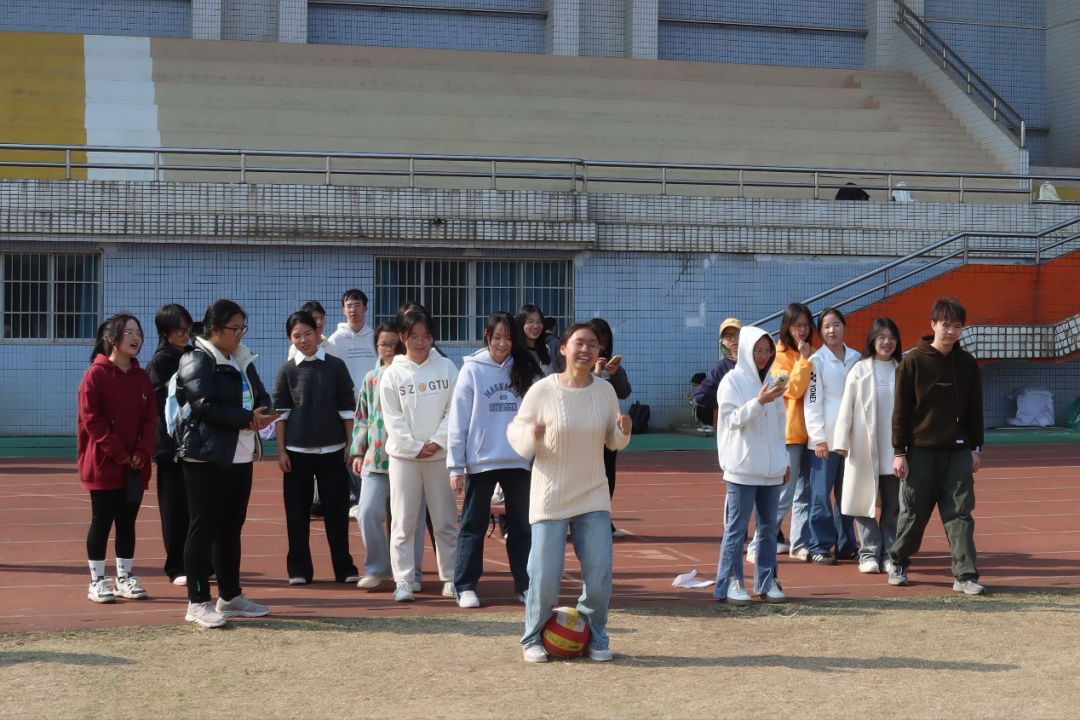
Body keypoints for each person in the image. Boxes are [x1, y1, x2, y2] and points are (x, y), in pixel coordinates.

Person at [508, 322, 632, 663]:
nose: (585, 350)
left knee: (599, 573)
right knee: (544, 575)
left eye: (593, 344)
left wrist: (623, 432)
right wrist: (531, 435)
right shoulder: (542, 390)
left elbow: (612, 441)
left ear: (599, 352)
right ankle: (532, 637)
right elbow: (517, 435)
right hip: (551, 494)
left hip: (593, 492)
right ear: (562, 349)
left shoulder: (605, 391)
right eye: (579, 343)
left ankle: (596, 635)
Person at [175, 300, 276, 628]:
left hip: (241, 454)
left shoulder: (240, 357)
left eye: (243, 327)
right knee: (202, 528)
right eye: (235, 328)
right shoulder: (197, 359)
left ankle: (230, 597)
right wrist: (247, 418)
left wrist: (262, 413)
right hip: (206, 456)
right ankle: (197, 601)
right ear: (214, 329)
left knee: (231, 528)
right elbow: (204, 404)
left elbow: (261, 395)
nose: (240, 333)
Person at [888, 297, 985, 594]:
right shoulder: (913, 361)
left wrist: (976, 448)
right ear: (933, 325)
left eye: (958, 326)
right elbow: (901, 410)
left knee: (961, 513)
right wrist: (900, 452)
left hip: (958, 451)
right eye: (946, 325)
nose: (951, 331)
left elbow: (975, 409)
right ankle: (898, 561)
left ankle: (965, 575)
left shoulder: (967, 364)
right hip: (920, 451)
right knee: (914, 513)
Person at [448, 312, 541, 608]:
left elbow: (538, 415)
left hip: (518, 460)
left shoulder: (527, 369)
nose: (502, 344)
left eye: (508, 338)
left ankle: (526, 585)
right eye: (497, 337)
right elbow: (459, 420)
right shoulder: (472, 370)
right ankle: (465, 586)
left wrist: (536, 454)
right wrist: (456, 465)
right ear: (487, 336)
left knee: (522, 526)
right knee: (473, 525)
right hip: (482, 461)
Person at [273, 311, 360, 585]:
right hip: (296, 454)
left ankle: (344, 568)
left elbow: (347, 408)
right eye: (296, 336)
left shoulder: (336, 367)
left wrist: (350, 444)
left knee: (337, 514)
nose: (303, 340)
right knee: (296, 514)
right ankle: (299, 570)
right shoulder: (287, 370)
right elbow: (281, 414)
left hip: (333, 451)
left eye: (308, 334)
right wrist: (282, 451)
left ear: (318, 333)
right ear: (290, 339)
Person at [379, 308, 460, 602]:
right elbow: (393, 419)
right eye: (414, 336)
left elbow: (455, 409)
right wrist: (414, 447)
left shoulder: (447, 368)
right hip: (404, 459)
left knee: (445, 521)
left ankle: (451, 578)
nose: (421, 342)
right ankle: (404, 580)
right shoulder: (392, 373)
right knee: (403, 522)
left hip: (439, 458)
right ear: (403, 338)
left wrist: (437, 442)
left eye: (426, 336)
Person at [77, 313, 157, 604]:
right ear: (112, 339)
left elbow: (151, 420)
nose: (136, 338)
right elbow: (92, 419)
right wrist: (121, 454)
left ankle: (125, 577)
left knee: (127, 522)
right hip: (104, 463)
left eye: (139, 333)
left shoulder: (142, 377)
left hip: (134, 466)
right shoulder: (95, 375)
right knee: (102, 521)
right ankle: (97, 581)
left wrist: (141, 452)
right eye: (129, 333)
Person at [712, 326, 790, 606]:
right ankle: (731, 582)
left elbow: (780, 425)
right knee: (737, 528)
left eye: (768, 351)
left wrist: (784, 460)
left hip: (771, 470)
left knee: (769, 528)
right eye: (758, 350)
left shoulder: (771, 380)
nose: (763, 356)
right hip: (742, 469)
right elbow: (730, 420)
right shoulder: (731, 381)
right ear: (746, 350)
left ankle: (768, 582)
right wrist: (759, 402)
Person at [350, 323, 428, 591]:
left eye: (395, 343)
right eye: (384, 344)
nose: (390, 348)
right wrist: (358, 450)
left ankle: (413, 575)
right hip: (376, 459)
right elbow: (362, 416)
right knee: (366, 512)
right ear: (377, 347)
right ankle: (378, 567)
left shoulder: (414, 376)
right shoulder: (371, 378)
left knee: (412, 520)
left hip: (410, 458)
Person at [833, 318, 904, 574]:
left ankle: (890, 552)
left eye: (892, 338)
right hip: (863, 447)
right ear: (872, 340)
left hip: (895, 450)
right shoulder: (859, 369)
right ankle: (869, 553)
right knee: (863, 503)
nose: (887, 342)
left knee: (894, 506)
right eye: (881, 337)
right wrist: (841, 441)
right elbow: (846, 407)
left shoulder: (903, 369)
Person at [747, 303, 813, 563]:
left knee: (804, 494)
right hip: (791, 433)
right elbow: (792, 390)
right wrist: (804, 361)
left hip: (813, 434)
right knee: (784, 495)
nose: (803, 330)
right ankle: (758, 544)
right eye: (797, 325)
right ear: (787, 326)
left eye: (806, 325)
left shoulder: (810, 352)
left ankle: (799, 544)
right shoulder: (779, 356)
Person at [803, 307, 860, 565]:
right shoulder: (817, 361)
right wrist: (818, 438)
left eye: (836, 324)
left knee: (848, 494)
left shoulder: (857, 358)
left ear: (845, 327)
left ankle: (846, 545)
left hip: (852, 440)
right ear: (820, 332)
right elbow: (812, 402)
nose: (832, 330)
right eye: (826, 326)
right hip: (825, 439)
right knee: (820, 496)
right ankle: (819, 546)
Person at [146, 303, 194, 585]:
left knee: (196, 506)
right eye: (179, 330)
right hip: (171, 445)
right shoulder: (161, 362)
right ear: (165, 332)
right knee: (174, 508)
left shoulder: (194, 355)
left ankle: (199, 562)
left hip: (196, 443)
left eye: (188, 328)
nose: (185, 334)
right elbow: (156, 406)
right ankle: (176, 566)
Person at [325, 290, 377, 517]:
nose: (353, 310)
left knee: (370, 447)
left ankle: (371, 497)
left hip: (372, 405)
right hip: (345, 406)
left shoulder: (374, 337)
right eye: (349, 305)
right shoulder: (335, 340)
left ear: (366, 308)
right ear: (343, 310)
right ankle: (355, 498)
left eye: (357, 305)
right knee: (349, 449)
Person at [589, 317, 632, 539]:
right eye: (598, 342)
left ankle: (605, 520)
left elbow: (625, 392)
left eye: (605, 342)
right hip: (585, 429)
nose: (602, 347)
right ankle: (579, 522)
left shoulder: (613, 366)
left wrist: (614, 374)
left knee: (608, 476)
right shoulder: (580, 363)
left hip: (608, 427)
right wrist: (596, 372)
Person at [693, 318, 742, 429]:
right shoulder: (722, 367)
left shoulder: (759, 361)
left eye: (737, 335)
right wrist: (727, 405)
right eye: (728, 336)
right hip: (734, 424)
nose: (733, 339)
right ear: (723, 342)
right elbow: (699, 397)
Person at [517, 304, 561, 375]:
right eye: (530, 322)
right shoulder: (514, 351)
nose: (536, 326)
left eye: (539, 322)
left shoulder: (546, 349)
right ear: (521, 324)